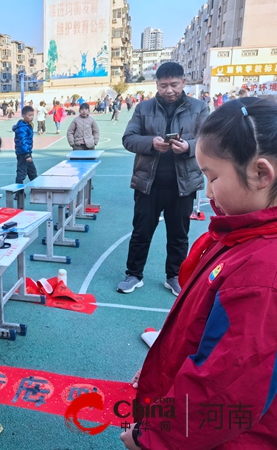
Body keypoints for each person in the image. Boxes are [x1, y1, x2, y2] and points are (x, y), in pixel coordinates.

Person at [120, 97, 277, 450]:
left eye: (212, 177)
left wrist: (154, 436)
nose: (206, 191)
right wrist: (158, 369)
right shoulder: (241, 235)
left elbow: (223, 386)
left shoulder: (262, 271)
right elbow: (200, 332)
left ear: (261, 174)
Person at [117, 62, 209, 296]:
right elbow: (128, 138)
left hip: (183, 184)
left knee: (179, 235)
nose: (169, 90)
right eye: (163, 85)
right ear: (156, 85)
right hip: (148, 184)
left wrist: (188, 146)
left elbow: (210, 142)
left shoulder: (200, 108)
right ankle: (134, 274)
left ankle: (175, 276)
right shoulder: (144, 108)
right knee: (141, 232)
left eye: (174, 85)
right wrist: (151, 143)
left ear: (184, 82)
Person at [13, 106, 37, 185]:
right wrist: (27, 155)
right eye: (30, 115)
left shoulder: (27, 125)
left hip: (27, 151)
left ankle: (35, 188)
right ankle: (18, 192)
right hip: (23, 153)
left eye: (32, 115)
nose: (32, 117)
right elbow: (22, 141)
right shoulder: (22, 128)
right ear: (24, 116)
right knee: (21, 172)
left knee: (32, 171)